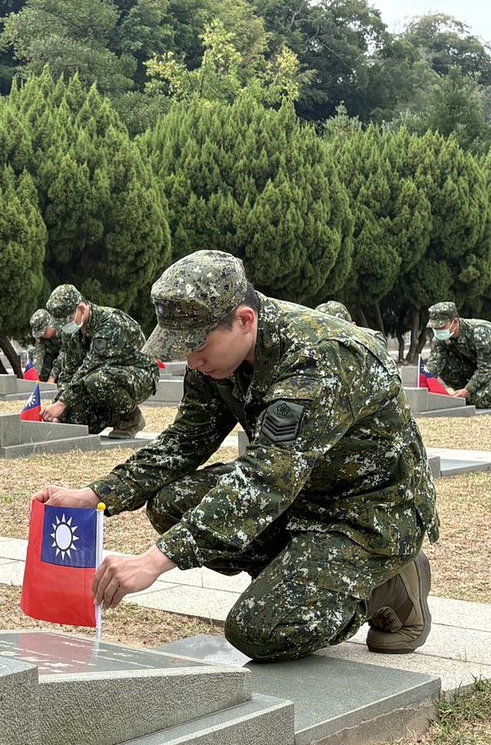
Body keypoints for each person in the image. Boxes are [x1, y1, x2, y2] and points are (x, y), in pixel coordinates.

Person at [35, 250, 439, 662]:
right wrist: (95, 495)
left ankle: (387, 583)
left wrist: (154, 562)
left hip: (368, 513)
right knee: (171, 504)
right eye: (181, 348)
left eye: (197, 346)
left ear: (244, 320)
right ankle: (300, 575)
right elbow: (183, 442)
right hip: (302, 494)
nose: (191, 361)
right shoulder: (219, 357)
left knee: (259, 630)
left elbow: (266, 479)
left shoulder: (319, 358)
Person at [38, 284, 158, 439]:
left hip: (139, 377)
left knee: (96, 379)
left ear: (81, 308)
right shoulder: (70, 333)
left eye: (67, 320)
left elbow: (90, 367)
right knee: (73, 423)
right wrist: (59, 409)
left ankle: (132, 418)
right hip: (98, 379)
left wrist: (62, 404)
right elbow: (69, 371)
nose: (63, 327)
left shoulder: (111, 323)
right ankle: (113, 416)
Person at [425, 301, 491, 409]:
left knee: (480, 401)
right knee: (445, 368)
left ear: (455, 322)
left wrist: (468, 390)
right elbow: (434, 363)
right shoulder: (440, 339)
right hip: (475, 363)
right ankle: (467, 393)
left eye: (441, 326)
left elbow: (486, 367)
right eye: (435, 327)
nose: (438, 331)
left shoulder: (480, 332)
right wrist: (424, 382)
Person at [29, 309, 62, 383]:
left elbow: (64, 354)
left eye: (43, 332)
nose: (42, 336)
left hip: (68, 356)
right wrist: (35, 376)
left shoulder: (63, 330)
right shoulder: (41, 337)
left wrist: (52, 378)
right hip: (52, 355)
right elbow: (38, 354)